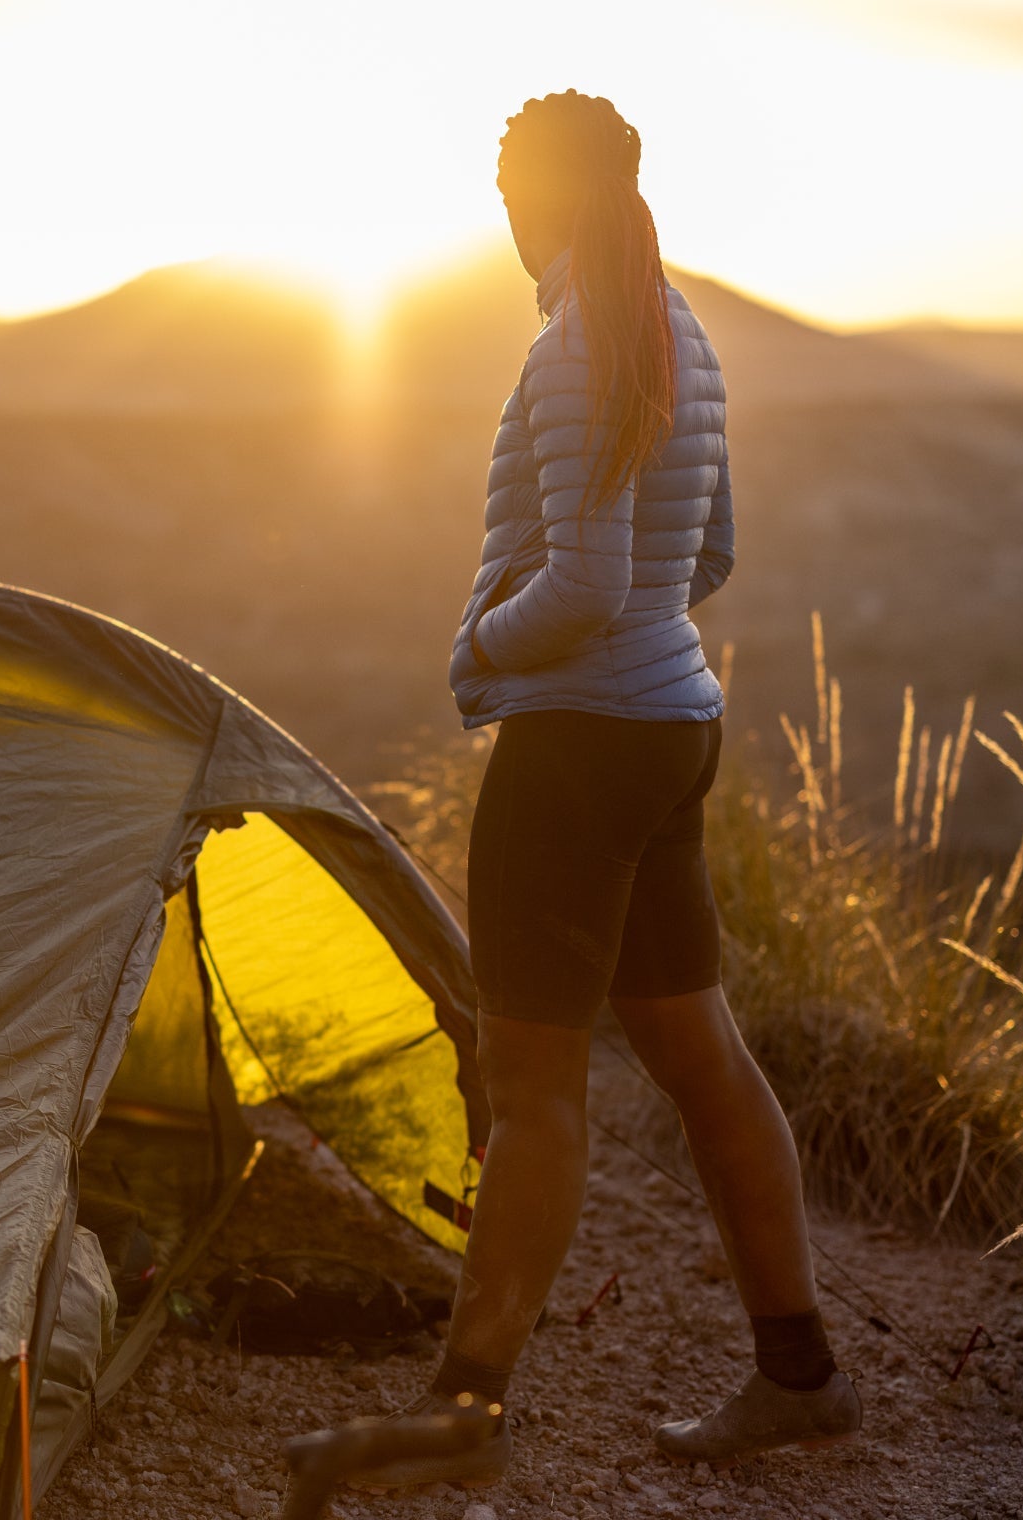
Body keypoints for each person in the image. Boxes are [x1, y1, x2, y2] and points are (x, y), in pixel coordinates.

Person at [342, 91, 862, 1491]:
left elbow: (585, 584)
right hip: (668, 728)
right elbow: (711, 558)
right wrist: (629, 651)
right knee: (702, 1058)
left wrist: (477, 649)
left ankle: (464, 1412)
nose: (504, 220)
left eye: (510, 193)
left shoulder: (578, 346)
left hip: (576, 751)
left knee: (532, 1088)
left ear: (545, 198)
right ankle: (799, 1374)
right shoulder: (678, 327)